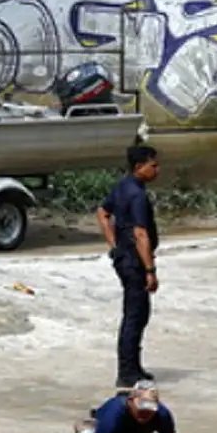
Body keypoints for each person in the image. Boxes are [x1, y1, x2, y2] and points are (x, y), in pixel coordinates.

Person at [94, 144, 161, 389]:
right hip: (134, 262)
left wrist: (114, 245)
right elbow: (141, 233)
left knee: (137, 313)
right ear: (138, 167)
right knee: (135, 314)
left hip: (124, 257)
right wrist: (150, 270)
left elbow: (102, 212)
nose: (157, 170)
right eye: (153, 165)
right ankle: (127, 371)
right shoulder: (137, 195)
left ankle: (134, 365)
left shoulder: (123, 187)